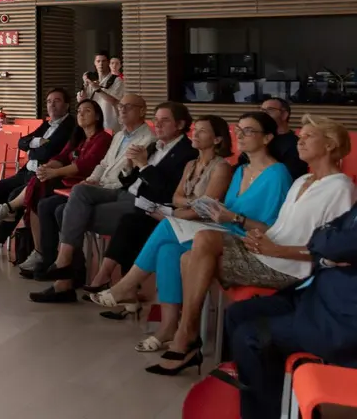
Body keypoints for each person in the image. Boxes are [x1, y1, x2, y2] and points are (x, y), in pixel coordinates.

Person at [150, 116, 355, 376]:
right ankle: (190, 337)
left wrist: (275, 249)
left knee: (200, 243)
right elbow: (281, 230)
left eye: (308, 137)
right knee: (188, 257)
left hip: (293, 268)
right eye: (300, 136)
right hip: (269, 254)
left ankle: (186, 336)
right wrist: (261, 239)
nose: (299, 141)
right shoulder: (302, 181)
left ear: (329, 145)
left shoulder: (340, 188)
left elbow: (336, 253)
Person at [88, 111, 293, 351]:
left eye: (248, 131)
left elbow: (272, 228)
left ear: (267, 138)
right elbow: (213, 207)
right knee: (167, 250)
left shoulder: (277, 174)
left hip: (246, 241)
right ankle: (168, 327)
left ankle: (127, 286)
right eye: (238, 130)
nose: (240, 135)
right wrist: (220, 213)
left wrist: (232, 216)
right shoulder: (241, 170)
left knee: (165, 225)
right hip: (220, 231)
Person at [27, 102, 197, 303]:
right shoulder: (154, 146)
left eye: (165, 120)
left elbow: (166, 191)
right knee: (78, 192)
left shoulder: (187, 152)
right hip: (124, 192)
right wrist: (128, 168)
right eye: (157, 120)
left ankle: (65, 275)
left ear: (180, 124)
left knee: (64, 212)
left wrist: (142, 165)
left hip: (145, 204)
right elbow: (127, 177)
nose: (158, 125)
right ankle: (65, 267)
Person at [86, 115, 234, 316]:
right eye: (195, 129)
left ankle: (123, 286)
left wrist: (178, 212)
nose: (195, 134)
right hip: (181, 217)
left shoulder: (221, 167)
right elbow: (177, 197)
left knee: (143, 224)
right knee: (134, 222)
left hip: (203, 226)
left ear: (217, 139)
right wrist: (182, 208)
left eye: (202, 131)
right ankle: (131, 294)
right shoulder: (191, 164)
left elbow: (207, 207)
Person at [225, 200, 357, 418]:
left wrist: (330, 246)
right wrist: (330, 248)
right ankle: (267, 395)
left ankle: (266, 411)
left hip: (339, 320)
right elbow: (320, 235)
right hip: (314, 295)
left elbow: (335, 244)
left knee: (249, 337)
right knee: (237, 313)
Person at [25, 94, 154, 280]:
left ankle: (64, 264)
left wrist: (86, 181)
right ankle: (70, 274)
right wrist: (92, 179)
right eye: (121, 107)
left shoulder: (147, 139)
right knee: (59, 208)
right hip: (101, 186)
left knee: (75, 195)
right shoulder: (118, 136)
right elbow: (102, 164)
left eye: (129, 107)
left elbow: (131, 176)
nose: (122, 110)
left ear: (142, 111)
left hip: (118, 189)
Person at [0, 100, 111, 260]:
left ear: (98, 116)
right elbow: (61, 156)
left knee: (38, 185)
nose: (81, 114)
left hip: (84, 184)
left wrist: (54, 172)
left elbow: (85, 165)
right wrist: (48, 168)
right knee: (38, 188)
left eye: (87, 111)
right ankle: (36, 249)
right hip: (67, 179)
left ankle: (13, 214)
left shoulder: (102, 138)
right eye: (79, 111)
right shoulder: (79, 138)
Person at [0, 89, 75, 262]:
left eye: (57, 101)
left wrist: (33, 148)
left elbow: (48, 151)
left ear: (66, 105)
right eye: (49, 101)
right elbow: (22, 142)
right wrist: (35, 143)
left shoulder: (70, 126)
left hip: (45, 176)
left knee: (15, 196)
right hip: (27, 171)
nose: (52, 104)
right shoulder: (46, 124)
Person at [239, 97, 307, 182]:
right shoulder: (256, 138)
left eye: (269, 110)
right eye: (262, 110)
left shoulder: (295, 144)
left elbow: (291, 177)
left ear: (284, 115)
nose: (264, 114)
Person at [79, 52, 125, 132]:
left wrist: (98, 89)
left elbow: (114, 101)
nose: (101, 64)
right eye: (98, 61)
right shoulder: (91, 80)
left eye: (103, 61)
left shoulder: (116, 80)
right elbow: (82, 101)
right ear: (94, 63)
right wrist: (85, 84)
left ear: (108, 63)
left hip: (110, 124)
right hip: (92, 125)